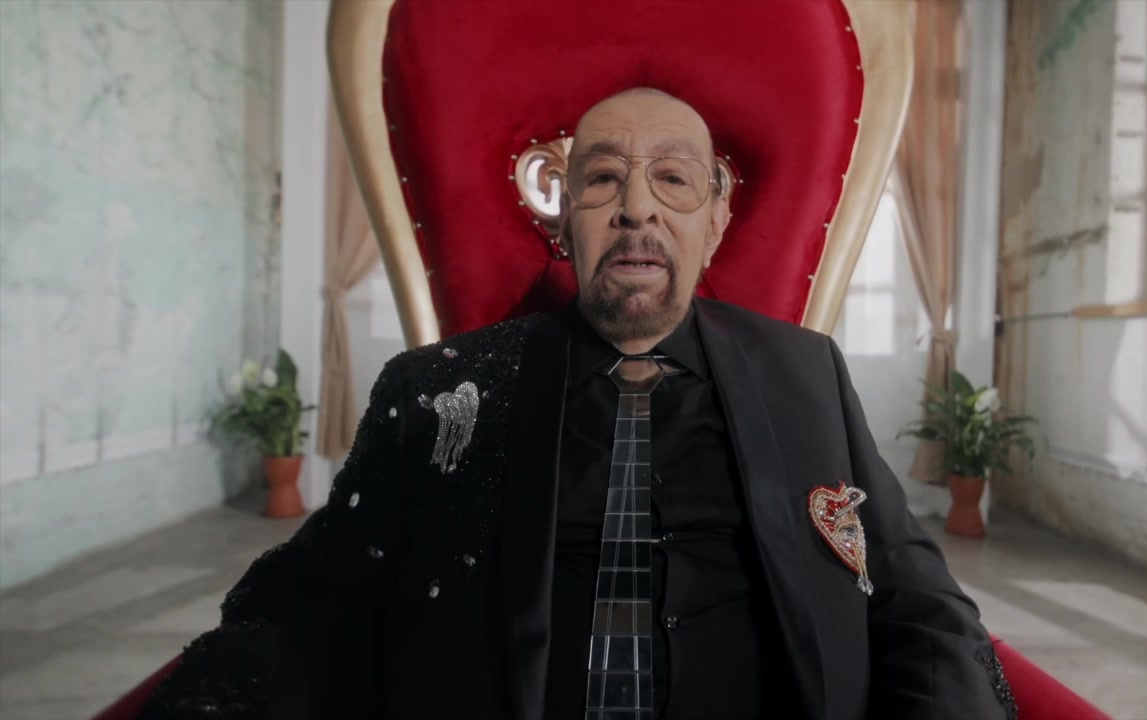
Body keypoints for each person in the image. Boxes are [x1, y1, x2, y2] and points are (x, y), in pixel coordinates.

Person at [141, 88, 1016, 720]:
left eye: (673, 180)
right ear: (563, 223)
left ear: (715, 222)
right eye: (601, 180)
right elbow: (310, 603)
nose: (636, 209)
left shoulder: (806, 371)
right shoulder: (439, 389)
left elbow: (919, 603)